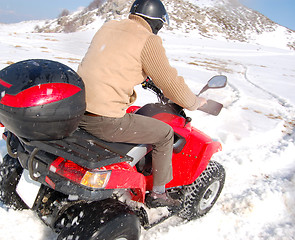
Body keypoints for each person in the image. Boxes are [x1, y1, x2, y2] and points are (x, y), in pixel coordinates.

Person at [77, 0, 207, 208]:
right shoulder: (148, 40)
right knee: (165, 134)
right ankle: (159, 194)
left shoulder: (108, 26)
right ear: (157, 23)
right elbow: (171, 84)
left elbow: (112, 61)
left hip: (77, 109)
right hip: (104, 120)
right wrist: (195, 102)